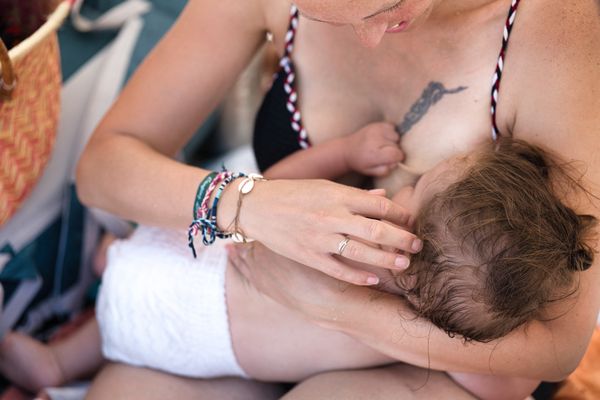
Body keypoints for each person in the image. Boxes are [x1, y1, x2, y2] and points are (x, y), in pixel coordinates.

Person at [74, 0, 600, 398]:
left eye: (386, 7)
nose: (369, 38)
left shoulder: (562, 28)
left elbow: (557, 346)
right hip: (258, 318)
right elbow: (103, 169)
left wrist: (335, 309)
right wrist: (247, 204)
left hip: (452, 362)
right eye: (323, 13)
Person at [1, 138, 593, 400]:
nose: (402, 183)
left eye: (413, 187)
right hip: (181, 346)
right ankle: (63, 357)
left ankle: (68, 341)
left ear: (404, 228)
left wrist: (342, 155)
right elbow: (505, 379)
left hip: (182, 272)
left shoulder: (346, 230)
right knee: (120, 327)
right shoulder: (419, 340)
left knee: (131, 268)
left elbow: (272, 192)